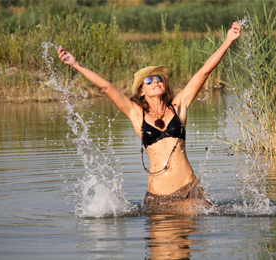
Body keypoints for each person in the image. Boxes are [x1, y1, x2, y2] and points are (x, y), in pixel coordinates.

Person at [56, 22, 242, 212]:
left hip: (190, 190)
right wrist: (77, 65)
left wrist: (228, 41)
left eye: (159, 78)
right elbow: (107, 87)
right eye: (149, 80)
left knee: (198, 219)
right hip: (159, 198)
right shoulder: (138, 115)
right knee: (194, 215)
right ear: (141, 91)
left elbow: (204, 72)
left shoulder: (178, 106)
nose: (155, 81)